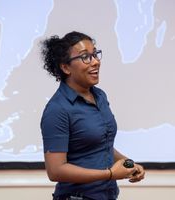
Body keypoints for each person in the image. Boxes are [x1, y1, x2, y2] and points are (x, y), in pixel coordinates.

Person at [40, 31, 145, 200]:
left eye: (95, 54)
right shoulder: (57, 109)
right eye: (85, 57)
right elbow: (55, 171)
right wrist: (110, 174)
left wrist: (129, 163)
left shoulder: (100, 96)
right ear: (65, 67)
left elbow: (101, 145)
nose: (96, 61)